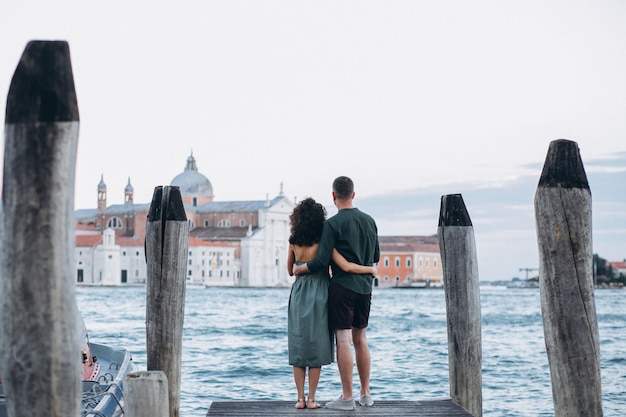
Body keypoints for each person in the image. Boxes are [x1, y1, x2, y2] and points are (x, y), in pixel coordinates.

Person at [293, 176, 379, 411]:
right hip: (365, 289)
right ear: (353, 194)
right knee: (361, 339)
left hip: (342, 289)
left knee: (343, 340)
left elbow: (321, 261)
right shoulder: (370, 221)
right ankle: (366, 393)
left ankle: (347, 397)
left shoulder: (332, 224)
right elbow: (376, 257)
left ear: (333, 196)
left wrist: (301, 268)